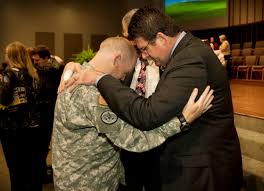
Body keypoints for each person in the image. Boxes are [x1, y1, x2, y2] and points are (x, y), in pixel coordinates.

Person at [61, 7, 243, 191]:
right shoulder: (183, 54)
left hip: (203, 171)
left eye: (144, 49)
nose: (144, 56)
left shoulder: (189, 59)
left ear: (162, 38)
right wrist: (71, 66)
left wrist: (99, 78)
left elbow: (149, 114)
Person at [53, 36, 213, 191]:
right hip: (88, 184)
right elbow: (132, 140)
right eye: (124, 72)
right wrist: (182, 120)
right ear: (116, 59)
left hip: (78, 178)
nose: (123, 78)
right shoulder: (91, 93)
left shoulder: (76, 75)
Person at [121, 8, 162, 191]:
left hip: (161, 137)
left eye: (128, 36)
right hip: (130, 138)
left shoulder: (167, 61)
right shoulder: (124, 59)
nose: (126, 40)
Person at [0, 41, 43, 191]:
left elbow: (4, 100)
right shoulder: (32, 74)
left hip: (12, 128)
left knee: (15, 170)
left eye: (6, 53)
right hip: (32, 127)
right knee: (30, 168)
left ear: (11, 55)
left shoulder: (8, 74)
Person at [31, 45, 64, 183]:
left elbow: (53, 67)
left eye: (37, 60)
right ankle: (43, 172)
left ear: (45, 58)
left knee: (43, 146)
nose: (35, 63)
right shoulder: (55, 65)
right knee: (44, 146)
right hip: (48, 112)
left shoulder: (49, 69)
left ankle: (42, 174)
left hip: (48, 113)